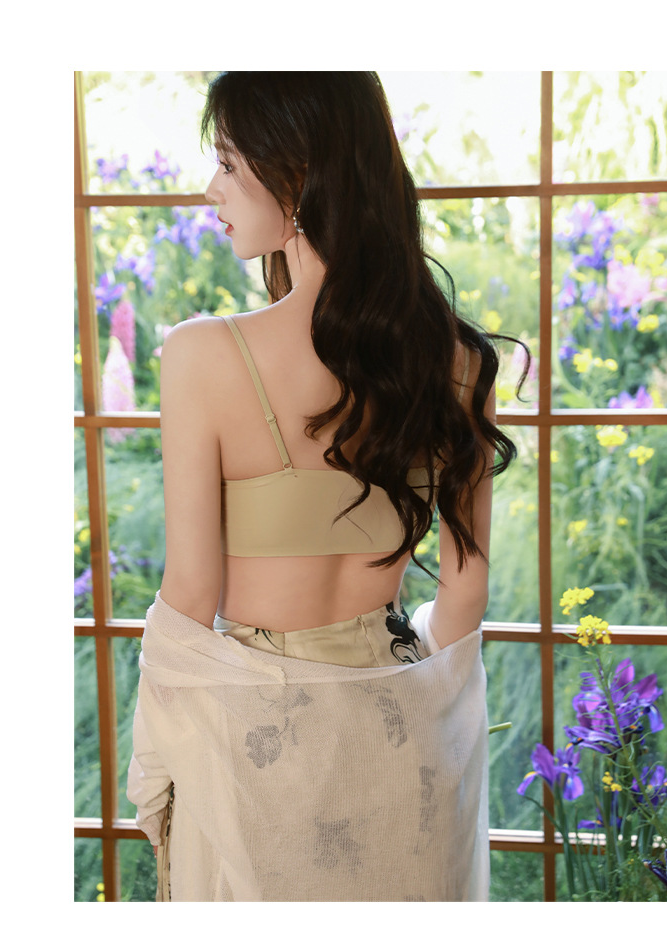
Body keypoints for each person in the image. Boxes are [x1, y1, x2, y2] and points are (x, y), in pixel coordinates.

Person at [127, 71, 528, 902]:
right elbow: (464, 599)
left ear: (299, 175)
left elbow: (190, 596)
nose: (211, 190)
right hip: (401, 746)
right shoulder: (459, 361)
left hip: (255, 747)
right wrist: (392, 672)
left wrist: (158, 760)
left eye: (229, 164)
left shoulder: (203, 354)